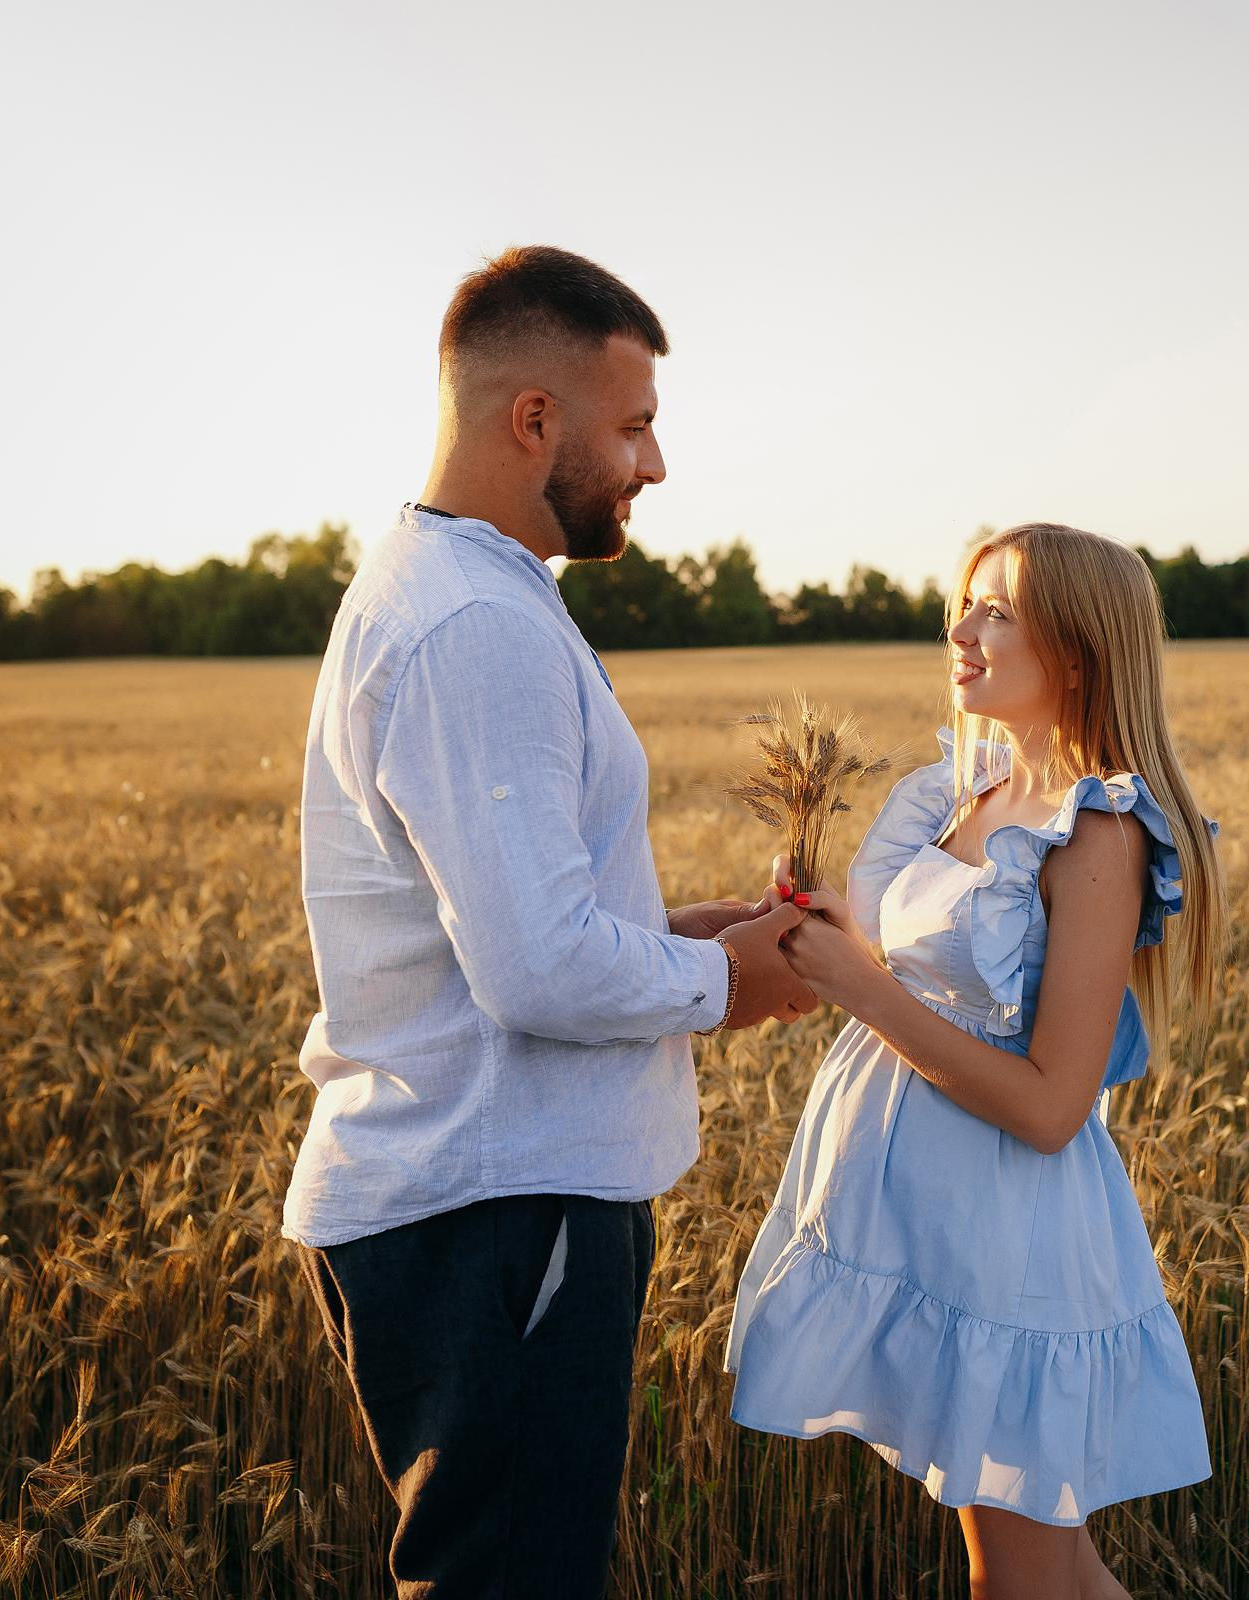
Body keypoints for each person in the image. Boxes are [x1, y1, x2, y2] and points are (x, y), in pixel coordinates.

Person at [282, 244, 817, 1598]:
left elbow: (525, 926)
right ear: (534, 420)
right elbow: (534, 971)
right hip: (498, 1208)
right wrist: (728, 979)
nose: (653, 464)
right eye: (632, 425)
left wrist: (712, 929)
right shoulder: (473, 623)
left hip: (487, 1201)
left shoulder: (469, 588)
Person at [724, 522, 1223, 1600]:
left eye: (998, 610)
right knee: (1051, 1565)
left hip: (1010, 1237)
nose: (962, 630)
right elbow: (925, 967)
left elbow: (1052, 1106)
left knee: (1021, 1576)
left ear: (1080, 649)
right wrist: (829, 928)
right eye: (966, 603)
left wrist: (859, 987)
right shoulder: (969, 791)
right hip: (929, 1222)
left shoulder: (1100, 832)